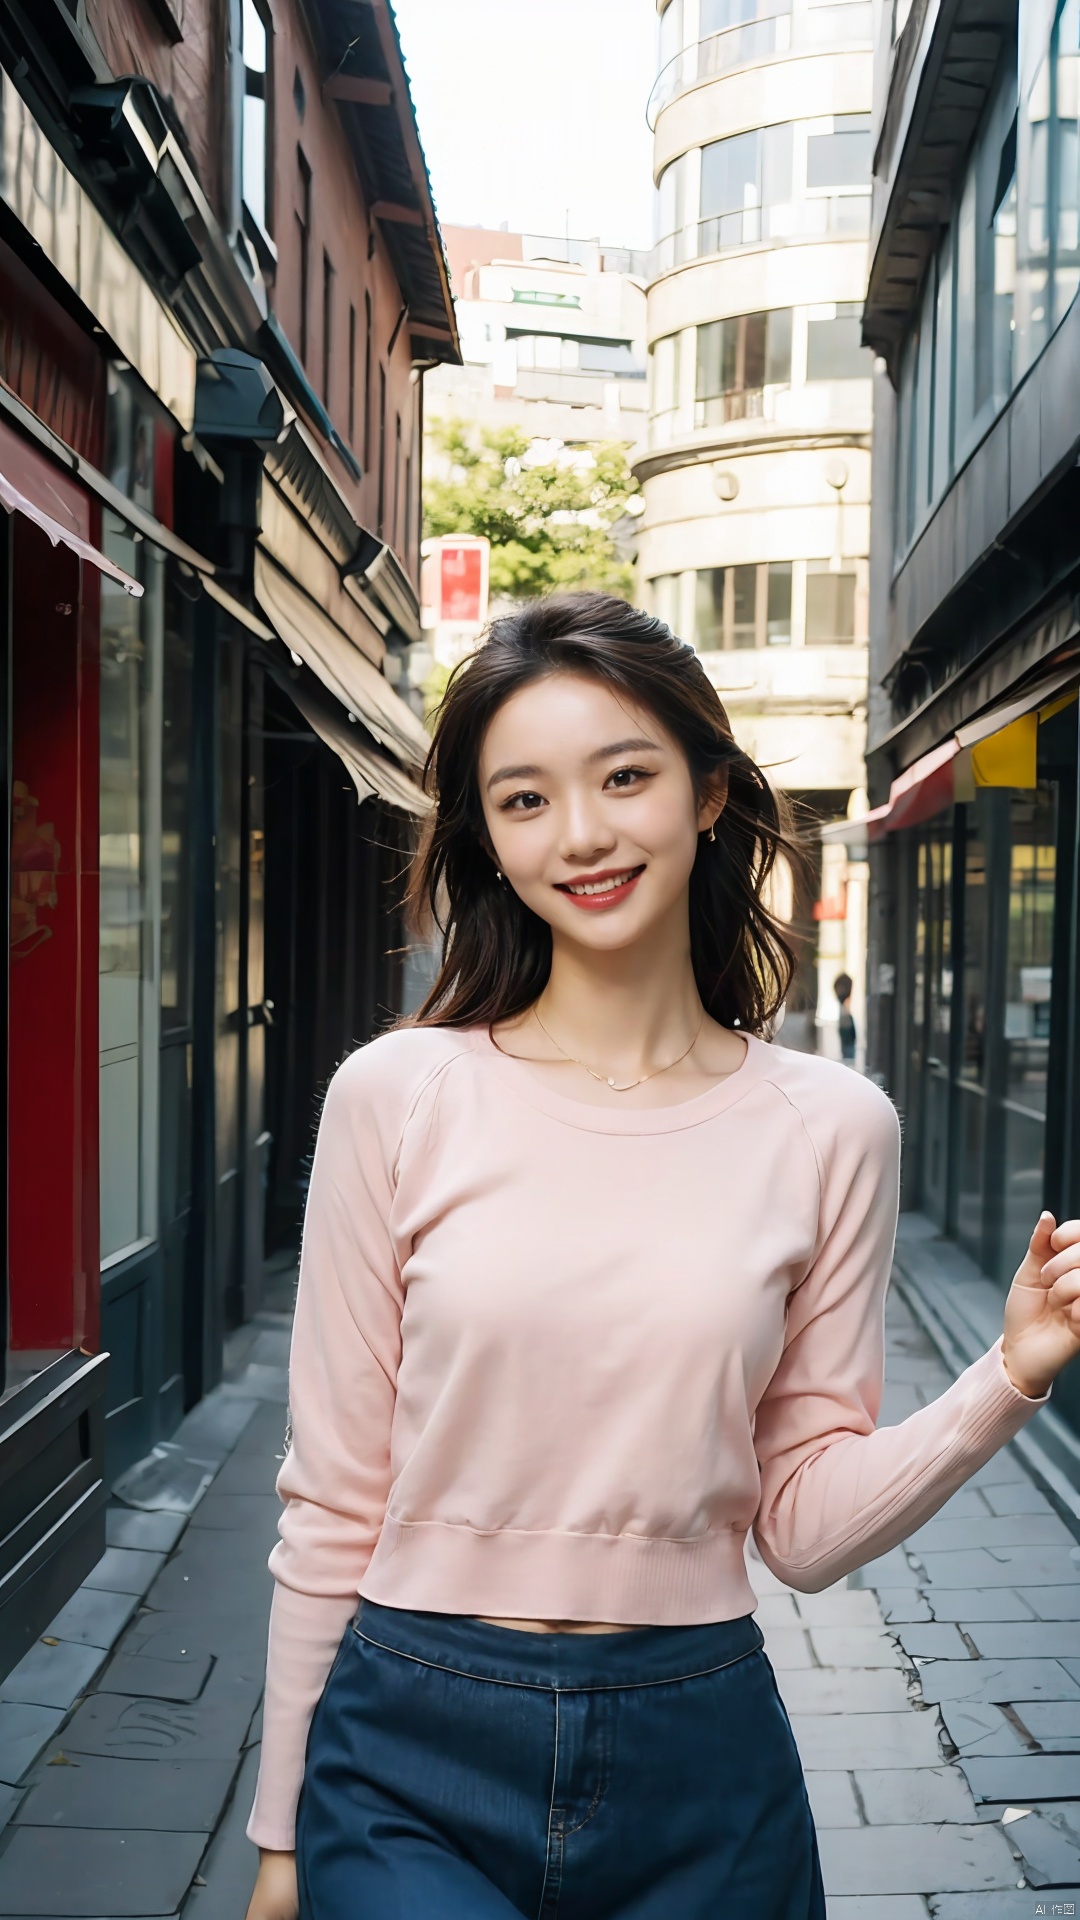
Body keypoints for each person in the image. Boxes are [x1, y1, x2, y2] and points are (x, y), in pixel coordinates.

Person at [245, 593, 1080, 1920]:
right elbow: (332, 1498)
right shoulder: (396, 1095)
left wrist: (1008, 1375)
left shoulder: (832, 1127)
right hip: (408, 1745)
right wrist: (283, 1834)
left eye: (623, 777)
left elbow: (800, 1528)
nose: (580, 834)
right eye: (523, 801)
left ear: (707, 793)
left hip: (699, 1749)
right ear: (489, 841)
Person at [834, 970, 857, 1063]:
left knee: (848, 1054)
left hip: (847, 1034)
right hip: (847, 1034)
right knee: (848, 1056)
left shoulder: (843, 1004)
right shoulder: (842, 1004)